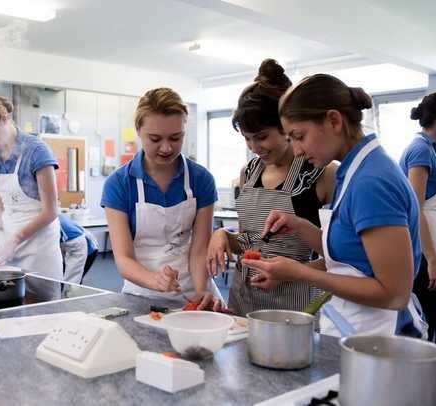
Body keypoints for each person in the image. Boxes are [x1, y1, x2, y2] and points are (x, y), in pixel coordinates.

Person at [242, 74, 424, 337]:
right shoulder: (352, 172)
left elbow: (394, 293)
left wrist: (303, 274)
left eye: (299, 136)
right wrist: (300, 227)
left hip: (377, 334)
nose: (297, 151)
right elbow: (351, 261)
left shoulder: (371, 181)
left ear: (334, 121)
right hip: (357, 328)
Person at [206, 59, 337, 316]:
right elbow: (250, 241)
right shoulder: (250, 172)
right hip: (244, 299)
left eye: (262, 137)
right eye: (247, 139)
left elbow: (341, 258)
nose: (255, 148)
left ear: (286, 127)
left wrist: (292, 273)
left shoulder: (322, 173)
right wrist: (222, 236)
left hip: (298, 303)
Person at [101, 87, 222, 309]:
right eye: (155, 139)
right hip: (140, 294)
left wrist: (200, 290)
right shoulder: (118, 184)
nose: (166, 148)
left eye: (176, 138)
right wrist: (155, 280)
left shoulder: (201, 179)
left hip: (193, 290)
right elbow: (124, 259)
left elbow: (199, 249)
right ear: (138, 130)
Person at [0, 95, 63, 296]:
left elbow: (51, 211)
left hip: (40, 249)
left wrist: (16, 239)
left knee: (43, 311)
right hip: (8, 247)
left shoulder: (37, 151)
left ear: (4, 119)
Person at [400, 92, 436, 342]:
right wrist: (432, 259)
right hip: (424, 248)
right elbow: (416, 208)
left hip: (428, 241)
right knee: (426, 322)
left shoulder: (428, 148)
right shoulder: (420, 150)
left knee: (430, 317)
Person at [59, 213, 98, 284]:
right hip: (72, 245)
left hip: (88, 248)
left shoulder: (53, 220)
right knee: (65, 278)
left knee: (72, 282)